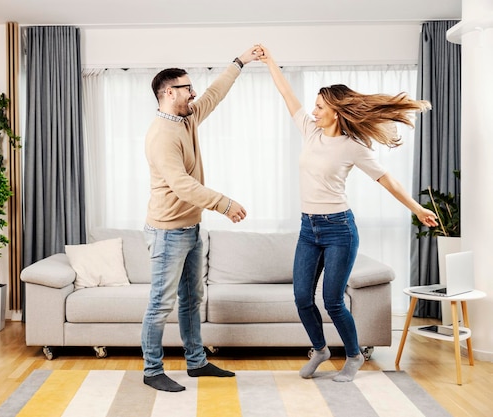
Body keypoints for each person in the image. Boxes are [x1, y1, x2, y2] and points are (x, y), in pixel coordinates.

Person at [259, 45, 438, 382]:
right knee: (300, 297)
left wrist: (416, 208)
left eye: (320, 107)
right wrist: (270, 61)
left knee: (332, 300)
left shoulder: (354, 147)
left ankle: (354, 356)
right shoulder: (310, 131)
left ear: (336, 112)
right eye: (314, 105)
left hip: (339, 229)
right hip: (307, 228)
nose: (313, 111)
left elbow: (388, 181)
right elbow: (286, 93)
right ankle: (320, 349)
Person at [142, 45, 263, 392]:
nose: (193, 93)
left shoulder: (187, 117)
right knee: (159, 304)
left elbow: (214, 94)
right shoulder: (161, 135)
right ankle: (152, 371)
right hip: (167, 232)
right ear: (168, 93)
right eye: (186, 88)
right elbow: (182, 186)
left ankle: (196, 363)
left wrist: (239, 62)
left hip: (191, 229)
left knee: (192, 299)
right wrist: (224, 204)